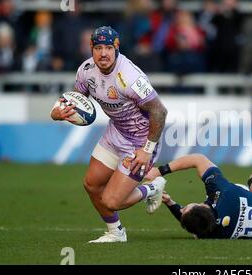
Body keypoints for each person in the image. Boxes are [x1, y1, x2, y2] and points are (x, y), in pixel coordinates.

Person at [50, 26, 168, 243]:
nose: (103, 53)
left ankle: (153, 187)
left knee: (111, 201)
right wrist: (58, 112)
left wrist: (147, 150)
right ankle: (116, 233)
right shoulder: (86, 71)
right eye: (98, 48)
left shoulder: (129, 77)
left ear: (116, 48)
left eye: (108, 48)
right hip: (116, 133)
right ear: (91, 49)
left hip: (141, 144)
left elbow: (159, 111)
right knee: (91, 184)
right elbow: (76, 100)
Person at [145, 154, 252, 239]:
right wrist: (160, 171)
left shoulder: (208, 233)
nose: (183, 208)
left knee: (243, 191)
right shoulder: (222, 192)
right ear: (201, 206)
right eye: (186, 207)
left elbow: (190, 221)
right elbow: (198, 159)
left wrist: (169, 202)